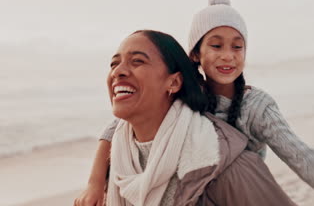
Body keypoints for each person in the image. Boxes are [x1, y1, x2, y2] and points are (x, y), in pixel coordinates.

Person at [76, 0, 314, 206]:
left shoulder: (256, 106)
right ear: (195, 55)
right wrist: (94, 183)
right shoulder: (186, 96)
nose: (228, 56)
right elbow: (116, 126)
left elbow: (305, 159)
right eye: (216, 45)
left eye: (237, 46)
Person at [84, 29, 297, 206]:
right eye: (114, 64)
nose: (118, 71)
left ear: (174, 83)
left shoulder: (223, 164)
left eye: (137, 61)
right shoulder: (120, 161)